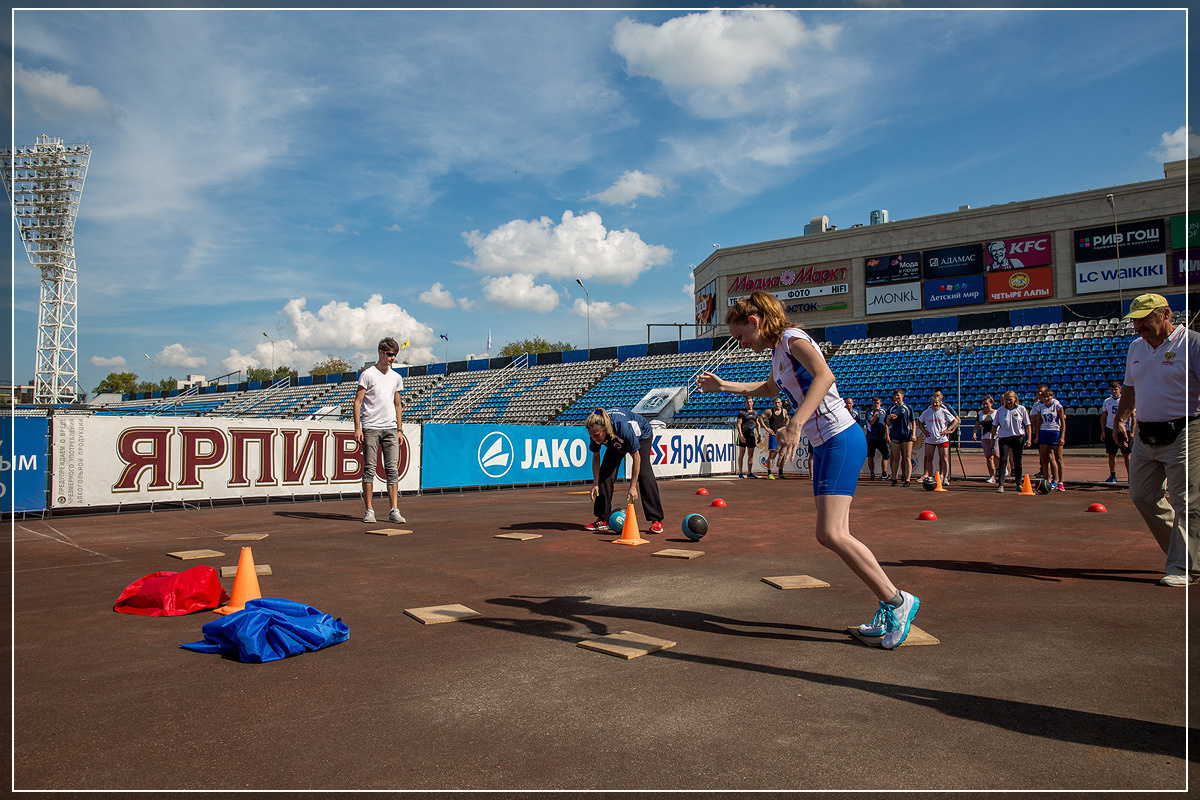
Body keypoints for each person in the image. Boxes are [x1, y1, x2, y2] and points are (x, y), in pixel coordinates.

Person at [696, 290, 920, 650]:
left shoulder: (792, 338)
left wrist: (796, 424)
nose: (740, 345)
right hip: (826, 444)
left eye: (740, 336)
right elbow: (772, 387)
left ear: (755, 322)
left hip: (840, 438)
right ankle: (890, 602)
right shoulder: (777, 353)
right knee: (835, 533)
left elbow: (825, 376)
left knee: (830, 533)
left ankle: (897, 601)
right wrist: (725, 386)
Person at [1112, 293, 1199, 587]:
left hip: (1186, 430)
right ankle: (1185, 553)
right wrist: (1120, 419)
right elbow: (1130, 389)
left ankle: (1185, 565)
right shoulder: (1136, 346)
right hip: (1145, 434)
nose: (1138, 326)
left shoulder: (1193, 344)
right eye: (1135, 320)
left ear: (1166, 314)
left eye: (1145, 318)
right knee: (1142, 495)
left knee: (1187, 501)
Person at [583, 407, 665, 534]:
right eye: (591, 436)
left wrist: (632, 486)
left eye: (596, 435)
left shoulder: (622, 427)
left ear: (604, 429)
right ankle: (603, 519)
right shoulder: (595, 432)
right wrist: (595, 483)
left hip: (642, 436)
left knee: (644, 473)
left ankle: (656, 520)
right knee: (605, 475)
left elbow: (636, 456)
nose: (594, 439)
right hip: (613, 440)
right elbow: (595, 457)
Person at [353, 337, 406, 524]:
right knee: (369, 469)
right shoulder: (367, 374)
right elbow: (358, 402)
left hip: (390, 428)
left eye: (395, 355)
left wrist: (399, 429)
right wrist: (358, 427)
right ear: (381, 353)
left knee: (392, 469)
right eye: (390, 354)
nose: (392, 358)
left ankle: (394, 510)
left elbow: (398, 404)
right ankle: (369, 510)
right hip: (371, 427)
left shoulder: (396, 377)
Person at [993, 390, 1032, 493]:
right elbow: (995, 425)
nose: (1008, 402)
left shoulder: (1021, 409)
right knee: (1003, 459)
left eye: (1010, 399)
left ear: (1015, 399)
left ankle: (1018, 483)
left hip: (1018, 437)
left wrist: (1029, 438)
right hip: (1004, 438)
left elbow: (1027, 424)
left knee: (1017, 460)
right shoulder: (1000, 410)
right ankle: (1001, 484)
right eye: (1006, 400)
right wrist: (993, 439)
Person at [918, 389, 958, 485]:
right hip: (930, 438)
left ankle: (945, 478)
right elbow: (919, 421)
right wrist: (924, 431)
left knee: (944, 458)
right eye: (933, 402)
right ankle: (930, 477)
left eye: (936, 403)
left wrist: (948, 430)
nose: (934, 404)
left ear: (940, 402)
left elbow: (955, 421)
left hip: (942, 438)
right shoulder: (927, 412)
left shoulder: (944, 411)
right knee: (929, 458)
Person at [1032, 385, 1067, 491]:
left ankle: (1059, 481)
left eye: (1048, 396)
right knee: (1045, 458)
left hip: (1055, 431)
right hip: (1044, 432)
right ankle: (1047, 480)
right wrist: (1037, 435)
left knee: (1058, 458)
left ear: (1052, 396)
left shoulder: (1057, 405)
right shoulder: (1040, 407)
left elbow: (1062, 420)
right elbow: (1039, 422)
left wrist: (1062, 436)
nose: (1046, 398)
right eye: (1044, 396)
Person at [1101, 380, 1134, 483]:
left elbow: (1133, 417)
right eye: (1112, 389)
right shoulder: (1107, 401)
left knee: (1126, 454)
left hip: (1123, 429)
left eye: (1115, 389)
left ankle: (1130, 477)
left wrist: (1132, 431)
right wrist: (1103, 431)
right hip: (1110, 428)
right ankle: (1113, 475)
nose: (1114, 391)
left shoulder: (1125, 401)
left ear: (1120, 389)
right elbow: (1104, 417)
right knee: (1111, 454)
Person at [886, 389, 915, 487]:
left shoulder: (907, 407)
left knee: (907, 458)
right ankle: (894, 478)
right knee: (895, 458)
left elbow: (913, 421)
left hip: (906, 435)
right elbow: (887, 423)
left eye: (898, 395)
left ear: (902, 395)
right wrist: (889, 418)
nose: (897, 397)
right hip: (895, 435)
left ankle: (907, 479)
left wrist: (913, 434)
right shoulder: (891, 408)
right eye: (895, 396)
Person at [759, 396, 790, 479]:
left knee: (782, 454)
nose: (777, 404)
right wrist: (766, 428)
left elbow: (787, 419)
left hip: (781, 435)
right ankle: (769, 473)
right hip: (773, 435)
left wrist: (785, 428)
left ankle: (780, 473)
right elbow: (760, 418)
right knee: (772, 454)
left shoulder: (784, 411)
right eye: (776, 403)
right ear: (773, 404)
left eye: (779, 403)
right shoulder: (770, 411)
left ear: (781, 403)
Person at [973, 395, 998, 483]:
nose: (985, 406)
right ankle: (992, 476)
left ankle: (1000, 469)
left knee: (997, 454)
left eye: (987, 404)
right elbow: (977, 425)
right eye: (984, 404)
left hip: (996, 437)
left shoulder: (996, 413)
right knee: (989, 457)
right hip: (985, 438)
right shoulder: (980, 414)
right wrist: (974, 433)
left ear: (991, 403)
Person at [865, 396, 890, 481]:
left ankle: (884, 473)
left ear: (880, 403)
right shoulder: (869, 412)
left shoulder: (884, 411)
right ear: (872, 403)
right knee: (870, 456)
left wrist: (887, 436)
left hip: (881, 437)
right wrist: (875, 413)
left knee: (886, 455)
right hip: (871, 437)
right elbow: (871, 422)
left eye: (877, 403)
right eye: (874, 403)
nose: (876, 405)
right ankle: (872, 473)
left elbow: (887, 423)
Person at [734, 397, 760, 478]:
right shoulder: (742, 413)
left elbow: (758, 424)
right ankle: (740, 472)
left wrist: (759, 434)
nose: (749, 404)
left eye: (750, 402)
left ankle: (749, 473)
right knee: (741, 454)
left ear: (753, 403)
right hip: (743, 435)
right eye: (747, 402)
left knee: (750, 455)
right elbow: (738, 424)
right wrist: (741, 435)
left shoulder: (755, 413)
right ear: (745, 403)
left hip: (751, 435)